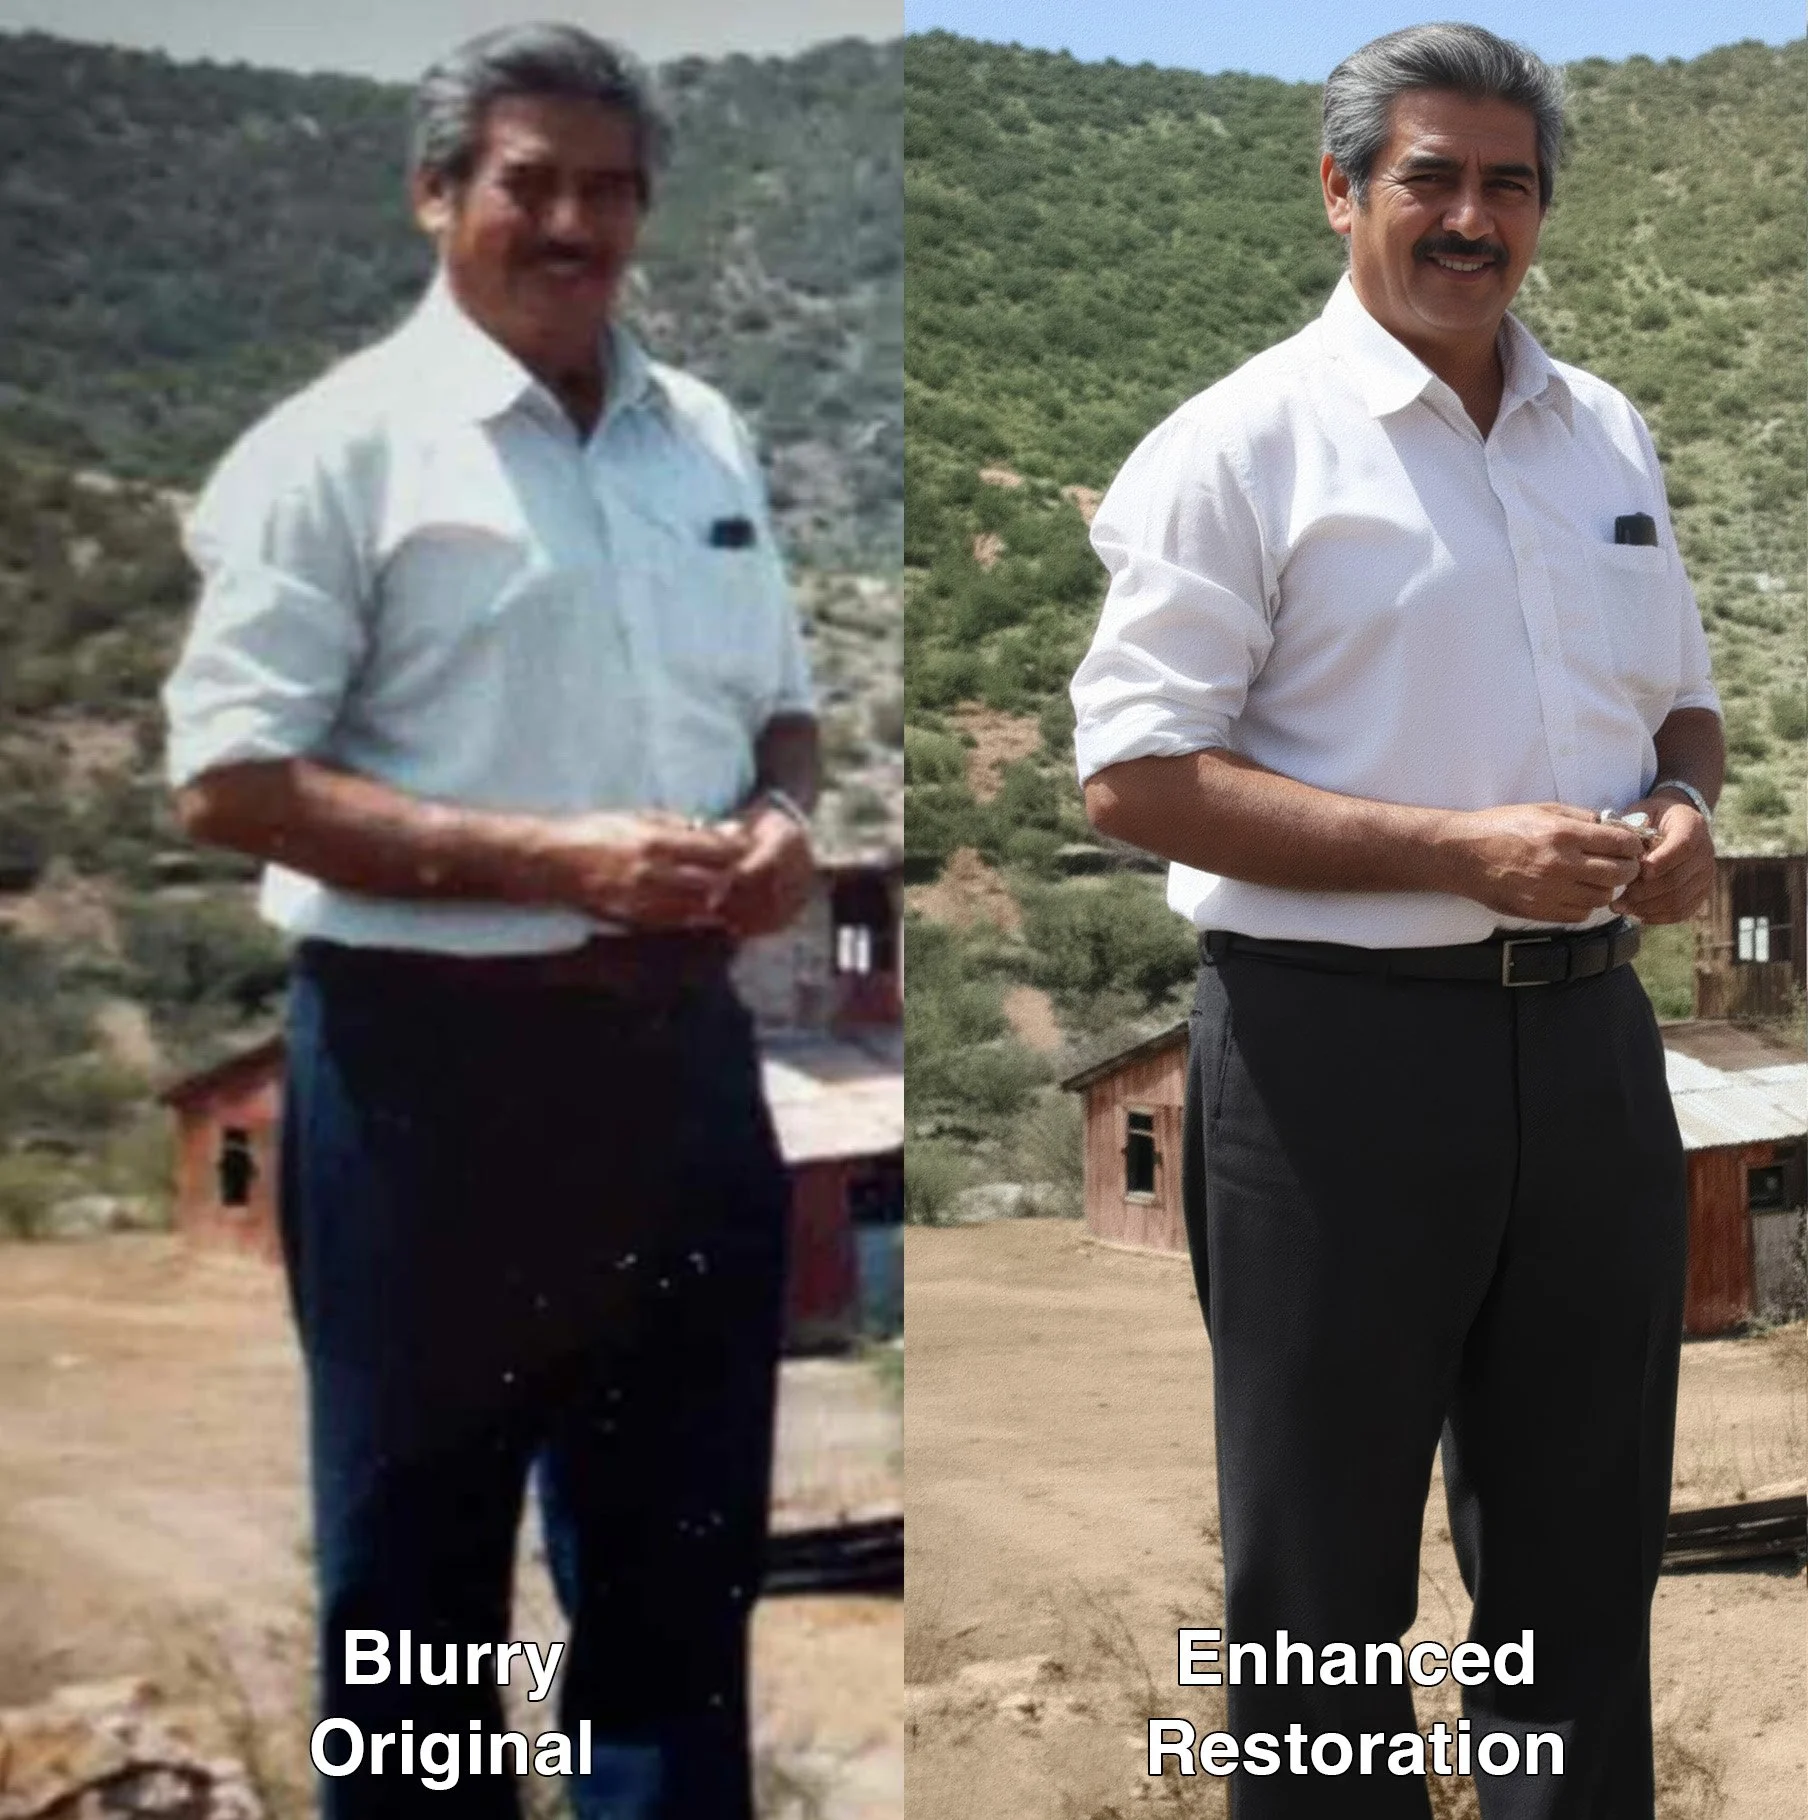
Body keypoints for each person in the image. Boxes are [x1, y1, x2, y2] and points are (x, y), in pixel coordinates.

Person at [162, 24, 818, 1819]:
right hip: (425, 1075)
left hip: (682, 1070)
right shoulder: (341, 451)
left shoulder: (705, 437)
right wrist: (555, 863)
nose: (576, 222)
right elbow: (227, 779)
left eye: (611, 189)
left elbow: (784, 711)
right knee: (422, 1608)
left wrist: (779, 824)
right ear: (438, 194)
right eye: (533, 182)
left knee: (681, 1591)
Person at [1070, 23, 1721, 1819]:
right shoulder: (1239, 444)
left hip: (1592, 1054)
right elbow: (1131, 776)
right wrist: (1458, 852)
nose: (1471, 215)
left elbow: (1683, 710)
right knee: (1323, 1588)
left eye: (1507, 182)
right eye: (1429, 175)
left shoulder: (1606, 430)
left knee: (1583, 1563)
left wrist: (1682, 818)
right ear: (1342, 188)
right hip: (1329, 1057)